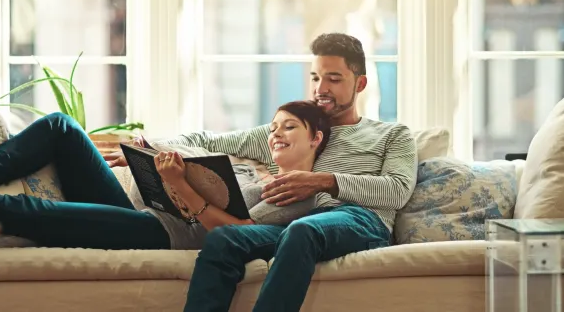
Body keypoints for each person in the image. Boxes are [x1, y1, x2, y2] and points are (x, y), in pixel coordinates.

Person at [0, 99, 331, 250]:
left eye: (289, 127)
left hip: (161, 237)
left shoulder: (300, 196)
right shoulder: (251, 165)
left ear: (317, 140)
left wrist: (182, 186)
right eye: (272, 127)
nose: (275, 134)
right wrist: (161, 168)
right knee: (62, 128)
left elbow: (242, 236)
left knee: (32, 212)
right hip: (149, 212)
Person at [177, 33, 418, 312]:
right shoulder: (294, 130)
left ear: (360, 83)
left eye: (334, 79)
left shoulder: (392, 134)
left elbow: (398, 190)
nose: (321, 88)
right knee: (225, 237)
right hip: (298, 225)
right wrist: (145, 147)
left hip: (361, 220)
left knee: (303, 230)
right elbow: (206, 141)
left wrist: (322, 182)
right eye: (316, 78)